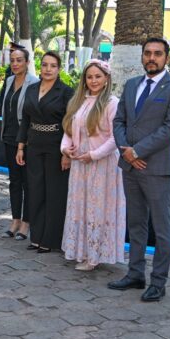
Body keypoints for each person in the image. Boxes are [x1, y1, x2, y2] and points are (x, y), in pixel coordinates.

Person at [109, 37, 170, 302]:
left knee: (162, 228)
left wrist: (138, 151)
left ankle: (158, 282)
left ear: (167, 58)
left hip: (158, 169)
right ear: (142, 56)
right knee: (136, 223)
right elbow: (119, 121)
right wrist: (126, 151)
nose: (151, 58)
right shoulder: (132, 85)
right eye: (147, 53)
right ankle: (135, 274)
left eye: (157, 53)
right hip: (130, 166)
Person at [60, 59, 125, 271]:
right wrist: (65, 149)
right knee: (81, 206)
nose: (93, 81)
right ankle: (82, 250)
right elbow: (69, 129)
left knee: (98, 208)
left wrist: (94, 155)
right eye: (89, 77)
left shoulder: (111, 103)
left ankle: (96, 255)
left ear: (106, 79)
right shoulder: (79, 101)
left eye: (98, 76)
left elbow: (116, 138)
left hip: (102, 166)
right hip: (80, 164)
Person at [16, 51, 74, 253]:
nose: (48, 69)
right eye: (45, 65)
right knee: (35, 191)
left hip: (56, 147)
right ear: (40, 68)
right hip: (34, 146)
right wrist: (21, 146)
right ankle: (36, 237)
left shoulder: (66, 92)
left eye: (53, 66)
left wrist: (67, 153)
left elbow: (71, 124)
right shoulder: (31, 89)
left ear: (59, 69)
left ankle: (51, 240)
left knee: (54, 193)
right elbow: (25, 119)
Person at [0, 47, 39, 241]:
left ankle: (26, 222)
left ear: (27, 62)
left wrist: (25, 141)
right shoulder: (8, 81)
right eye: (12, 60)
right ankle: (15, 220)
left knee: (28, 182)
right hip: (9, 137)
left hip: (27, 140)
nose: (15, 64)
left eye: (19, 60)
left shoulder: (35, 83)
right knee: (14, 181)